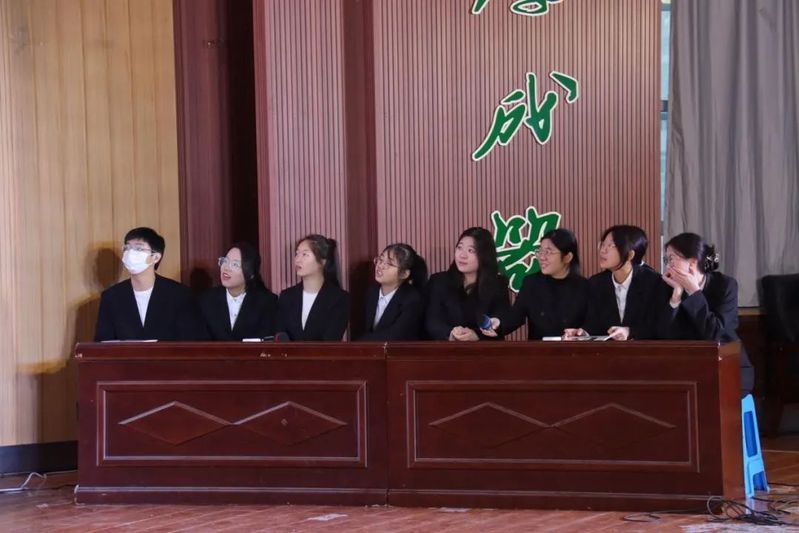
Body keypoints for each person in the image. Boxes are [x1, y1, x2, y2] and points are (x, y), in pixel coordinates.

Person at [659, 232, 754, 395]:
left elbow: (715, 333)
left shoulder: (725, 285)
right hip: (686, 368)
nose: (668, 266)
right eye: (666, 260)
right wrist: (675, 298)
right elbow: (662, 334)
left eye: (672, 259)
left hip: (726, 366)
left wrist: (694, 292)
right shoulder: (668, 287)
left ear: (692, 263)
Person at [94, 227, 206, 341]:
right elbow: (103, 342)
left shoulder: (179, 294)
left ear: (155, 257)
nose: (130, 253)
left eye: (138, 248)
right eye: (127, 248)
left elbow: (192, 340)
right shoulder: (111, 297)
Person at [565, 225, 664, 340]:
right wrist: (583, 333)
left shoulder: (653, 282)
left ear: (630, 255)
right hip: (609, 350)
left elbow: (658, 325)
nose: (603, 250)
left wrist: (629, 331)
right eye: (603, 244)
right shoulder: (597, 283)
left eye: (611, 246)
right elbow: (595, 323)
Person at [497, 229, 588, 339]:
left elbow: (592, 326)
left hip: (572, 349)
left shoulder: (584, 287)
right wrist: (497, 325)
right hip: (539, 349)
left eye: (548, 252)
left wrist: (582, 333)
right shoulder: (531, 283)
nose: (542, 257)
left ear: (567, 257)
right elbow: (514, 319)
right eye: (540, 251)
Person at [425, 227, 510, 341]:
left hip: (485, 349)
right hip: (447, 348)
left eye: (471, 250)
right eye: (459, 248)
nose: (462, 255)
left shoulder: (498, 284)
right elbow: (432, 320)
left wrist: (477, 335)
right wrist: (451, 334)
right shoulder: (439, 281)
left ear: (484, 255)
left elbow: (502, 319)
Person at [275, 234, 350, 340]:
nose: (297, 260)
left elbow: (331, 339)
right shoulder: (286, 297)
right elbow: (280, 335)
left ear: (323, 261)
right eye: (297, 254)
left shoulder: (339, 299)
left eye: (304, 254)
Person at [199, 242, 278, 341]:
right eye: (225, 261)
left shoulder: (267, 302)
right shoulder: (207, 300)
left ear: (251, 274)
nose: (226, 268)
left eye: (235, 264)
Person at [358, 243, 427, 341]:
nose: (380, 266)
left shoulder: (412, 299)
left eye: (389, 264)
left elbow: (396, 335)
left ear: (404, 274)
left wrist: (360, 342)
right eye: (380, 260)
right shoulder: (372, 292)